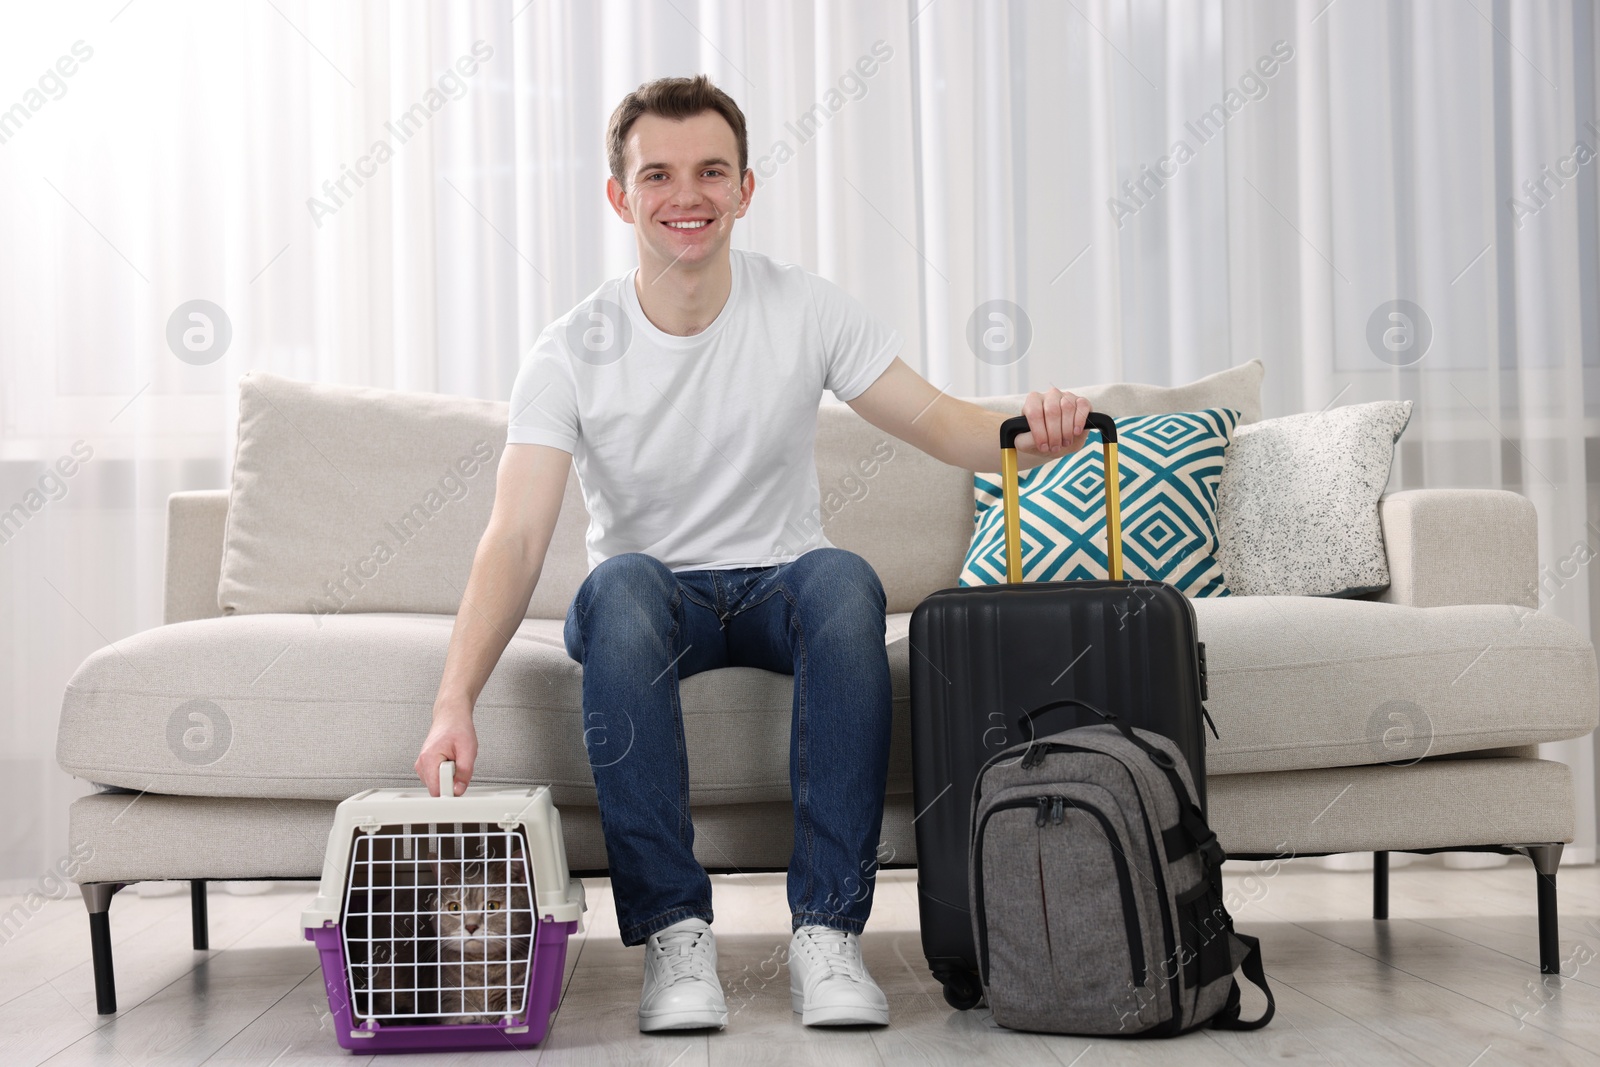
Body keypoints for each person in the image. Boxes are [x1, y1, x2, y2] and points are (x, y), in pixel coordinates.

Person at [414, 73, 1090, 1033]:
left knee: (844, 579)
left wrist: (1032, 426)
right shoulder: (569, 348)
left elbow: (943, 422)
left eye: (710, 172)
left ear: (744, 188)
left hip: (781, 587)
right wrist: (454, 699)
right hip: (654, 608)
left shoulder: (804, 307)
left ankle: (827, 934)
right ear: (620, 196)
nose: (685, 196)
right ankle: (676, 937)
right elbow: (516, 533)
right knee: (624, 585)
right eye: (658, 175)